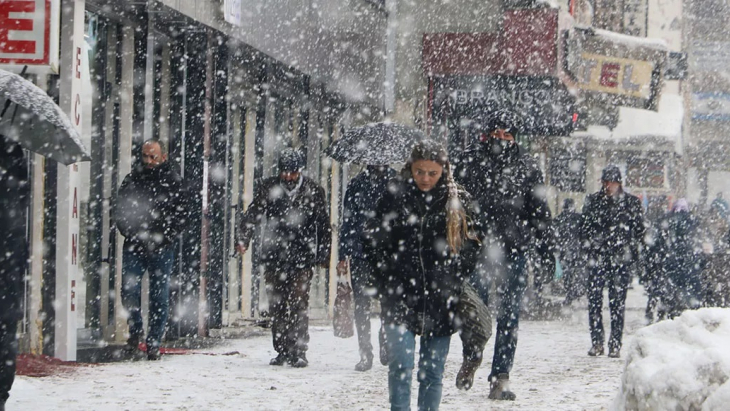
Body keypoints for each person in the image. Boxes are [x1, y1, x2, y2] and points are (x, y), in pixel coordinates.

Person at [363, 141, 481, 411]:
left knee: (432, 372)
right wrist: (387, 274)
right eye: (419, 172)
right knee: (400, 366)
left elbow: (473, 242)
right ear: (410, 169)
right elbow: (372, 239)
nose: (425, 178)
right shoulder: (394, 195)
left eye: (432, 173)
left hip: (441, 297)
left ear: (443, 171)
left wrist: (454, 273)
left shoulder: (457, 200)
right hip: (399, 295)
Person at [454, 110, 554, 401]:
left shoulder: (527, 166)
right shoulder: (470, 160)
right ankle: (472, 357)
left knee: (509, 316)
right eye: (496, 133)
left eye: (506, 134)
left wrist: (547, 252)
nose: (501, 139)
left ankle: (500, 376)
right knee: (475, 311)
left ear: (515, 136)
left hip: (514, 250)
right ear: (487, 134)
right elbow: (455, 204)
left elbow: (539, 212)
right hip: (479, 249)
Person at [236, 148, 331, 368]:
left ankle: (299, 349)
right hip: (274, 254)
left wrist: (323, 253)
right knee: (277, 304)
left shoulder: (314, 190)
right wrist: (243, 238)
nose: (287, 177)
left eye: (292, 172)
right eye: (284, 172)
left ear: (300, 171)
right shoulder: (269, 187)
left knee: (299, 303)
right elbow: (254, 213)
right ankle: (281, 349)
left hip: (302, 254)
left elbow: (323, 225)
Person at [116, 139, 186, 360]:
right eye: (145, 156)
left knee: (159, 295)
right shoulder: (133, 179)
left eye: (153, 156)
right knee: (129, 290)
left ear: (163, 157)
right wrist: (129, 231)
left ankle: (154, 341)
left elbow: (182, 213)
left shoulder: (173, 181)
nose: (148, 161)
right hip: (135, 243)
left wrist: (166, 235)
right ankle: (135, 332)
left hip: (161, 246)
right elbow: (121, 208)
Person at [581, 165, 644, 358]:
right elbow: (584, 228)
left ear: (619, 183)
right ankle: (597, 342)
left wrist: (630, 252)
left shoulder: (631, 203)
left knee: (617, 303)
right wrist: (591, 246)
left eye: (612, 182)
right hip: (598, 256)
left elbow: (639, 231)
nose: (609, 186)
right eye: (606, 182)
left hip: (619, 257)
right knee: (595, 302)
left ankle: (615, 343)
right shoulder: (593, 201)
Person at [338, 164, 396, 371]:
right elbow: (347, 220)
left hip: (387, 253)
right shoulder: (356, 184)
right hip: (362, 252)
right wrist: (343, 253)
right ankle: (365, 353)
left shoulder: (397, 183)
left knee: (389, 304)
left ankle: (385, 342)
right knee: (362, 304)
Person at [0, 135, 29, 411]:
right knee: (5, 331)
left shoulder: (12, 153)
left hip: (9, 259)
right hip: (10, 259)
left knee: (5, 330)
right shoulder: (13, 152)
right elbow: (22, 200)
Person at [555, 198, 585, 305]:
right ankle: (574, 292)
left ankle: (570, 293)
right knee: (579, 274)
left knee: (568, 275)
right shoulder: (579, 218)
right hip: (577, 250)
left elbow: (555, 236)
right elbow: (584, 233)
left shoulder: (559, 219)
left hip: (565, 251)